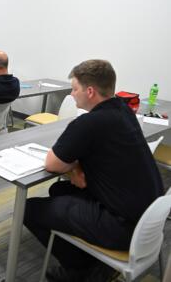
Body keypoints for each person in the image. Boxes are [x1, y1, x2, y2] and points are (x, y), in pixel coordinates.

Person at [23, 60, 164, 282]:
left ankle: (82, 269)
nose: (71, 93)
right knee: (59, 189)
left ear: (89, 91)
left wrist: (71, 166)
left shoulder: (89, 123)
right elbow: (95, 152)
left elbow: (52, 163)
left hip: (122, 227)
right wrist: (76, 168)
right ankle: (86, 256)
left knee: (28, 209)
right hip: (148, 221)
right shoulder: (123, 111)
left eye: (74, 88)